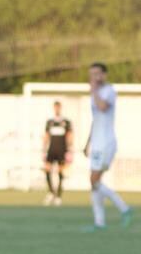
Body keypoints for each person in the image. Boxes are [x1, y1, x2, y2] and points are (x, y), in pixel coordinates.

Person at [83, 63, 131, 230]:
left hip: (106, 143)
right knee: (94, 183)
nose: (94, 78)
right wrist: (87, 142)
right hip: (96, 143)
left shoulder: (109, 91)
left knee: (94, 180)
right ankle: (99, 222)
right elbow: (95, 119)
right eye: (92, 75)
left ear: (104, 75)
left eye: (97, 74)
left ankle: (124, 208)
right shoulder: (94, 95)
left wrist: (94, 91)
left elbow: (103, 108)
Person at [42, 100, 73, 206]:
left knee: (61, 172)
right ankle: (51, 192)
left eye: (58, 107)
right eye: (55, 107)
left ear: (60, 108)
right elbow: (46, 136)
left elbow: (70, 136)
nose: (57, 109)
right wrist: (44, 150)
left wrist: (69, 150)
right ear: (53, 108)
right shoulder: (50, 122)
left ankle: (58, 196)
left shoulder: (66, 122)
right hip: (51, 149)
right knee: (47, 169)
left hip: (62, 150)